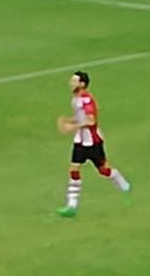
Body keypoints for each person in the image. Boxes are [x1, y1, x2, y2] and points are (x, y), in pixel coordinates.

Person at [56, 71, 131, 217]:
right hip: (80, 141)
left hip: (93, 142)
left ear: (82, 84)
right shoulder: (76, 99)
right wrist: (69, 120)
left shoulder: (87, 100)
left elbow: (91, 121)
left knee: (104, 170)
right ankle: (71, 205)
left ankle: (123, 184)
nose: (70, 83)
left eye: (74, 81)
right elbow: (81, 117)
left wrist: (72, 127)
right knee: (73, 169)